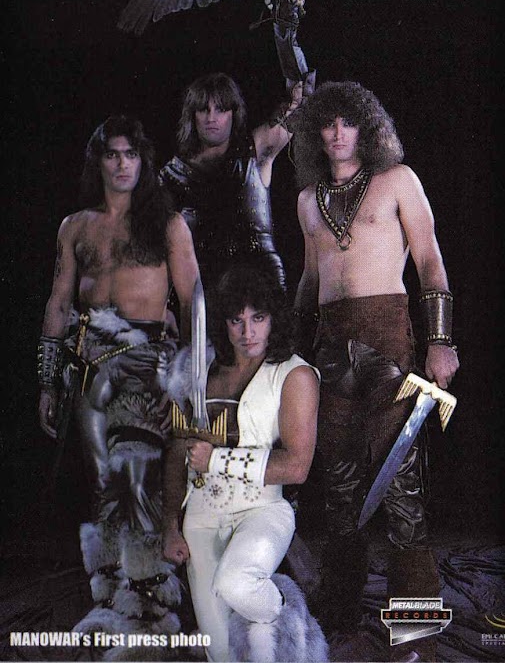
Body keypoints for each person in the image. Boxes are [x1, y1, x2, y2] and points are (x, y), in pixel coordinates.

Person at [290, 81, 460, 662]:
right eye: (328, 123)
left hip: (389, 340)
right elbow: (311, 282)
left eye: (349, 122)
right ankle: (341, 620)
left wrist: (441, 342)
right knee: (340, 491)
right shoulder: (308, 200)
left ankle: (415, 631)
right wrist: (291, 355)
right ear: (316, 133)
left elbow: (430, 260)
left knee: (402, 489)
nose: (338, 133)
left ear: (366, 128)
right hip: (329, 350)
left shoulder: (398, 180)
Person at [37, 115, 199, 638]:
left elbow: (193, 299)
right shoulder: (75, 227)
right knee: (104, 483)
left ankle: (150, 612)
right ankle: (111, 597)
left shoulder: (166, 224)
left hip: (145, 360)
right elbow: (59, 302)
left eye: (131, 154)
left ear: (143, 160)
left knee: (136, 482)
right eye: (112, 154)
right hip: (86, 364)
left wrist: (191, 378)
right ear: (99, 161)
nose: (122, 164)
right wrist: (47, 380)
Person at [161, 265, 327, 663]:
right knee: (221, 652)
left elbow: (297, 466)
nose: (247, 332)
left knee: (237, 584)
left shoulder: (294, 374)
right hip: (200, 518)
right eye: (237, 320)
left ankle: (287, 615)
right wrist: (169, 524)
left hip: (262, 510)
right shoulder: (202, 373)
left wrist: (216, 459)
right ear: (224, 323)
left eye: (258, 318)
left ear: (274, 319)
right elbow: (178, 452)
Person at [159, 70, 314, 293]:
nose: (211, 118)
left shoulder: (256, 150)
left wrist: (295, 75)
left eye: (221, 109)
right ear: (193, 115)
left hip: (260, 286)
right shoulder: (172, 174)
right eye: (204, 109)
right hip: (204, 290)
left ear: (234, 113)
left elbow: (299, 109)